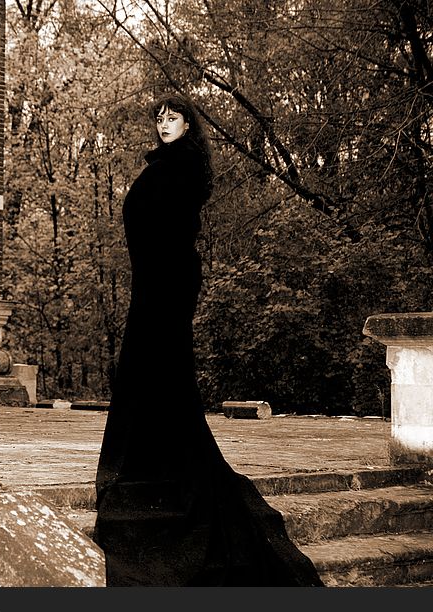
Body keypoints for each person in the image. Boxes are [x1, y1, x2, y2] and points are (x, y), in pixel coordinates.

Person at [92, 94, 324, 586]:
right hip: (151, 282)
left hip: (168, 282)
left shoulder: (188, 164)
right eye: (159, 118)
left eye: (173, 117)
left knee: (160, 369)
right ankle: (152, 456)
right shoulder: (165, 163)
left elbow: (173, 228)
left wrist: (161, 273)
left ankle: (167, 464)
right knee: (147, 372)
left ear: (189, 125)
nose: (164, 124)